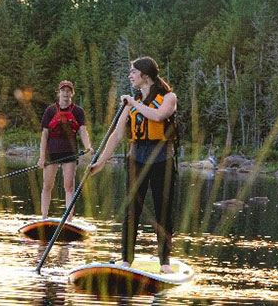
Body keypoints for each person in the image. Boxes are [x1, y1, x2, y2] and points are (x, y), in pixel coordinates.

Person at [90, 56, 178, 273]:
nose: (130, 75)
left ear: (145, 75)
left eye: (133, 71)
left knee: (163, 210)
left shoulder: (169, 97)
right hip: (136, 158)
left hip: (161, 159)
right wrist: (101, 162)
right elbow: (117, 134)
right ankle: (126, 260)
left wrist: (133, 103)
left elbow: (158, 116)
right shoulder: (131, 103)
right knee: (132, 210)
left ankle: (164, 262)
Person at [37, 80, 93, 221]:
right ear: (59, 92)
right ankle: (44, 217)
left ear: (72, 93)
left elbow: (83, 131)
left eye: (68, 91)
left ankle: (69, 219)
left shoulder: (78, 111)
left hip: (70, 152)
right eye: (63, 91)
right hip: (52, 152)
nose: (66, 93)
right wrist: (42, 157)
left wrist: (88, 146)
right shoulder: (50, 110)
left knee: (69, 185)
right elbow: (44, 135)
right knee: (47, 185)